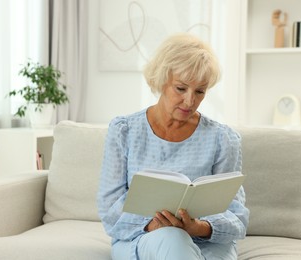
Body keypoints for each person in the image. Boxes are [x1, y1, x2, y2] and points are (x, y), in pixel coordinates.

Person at [97, 32, 249, 260]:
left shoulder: (223, 139)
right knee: (172, 240)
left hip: (207, 242)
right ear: (161, 79)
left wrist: (197, 227)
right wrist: (158, 225)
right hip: (145, 238)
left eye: (200, 91)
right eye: (181, 88)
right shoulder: (124, 131)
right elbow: (110, 210)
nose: (190, 101)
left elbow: (237, 218)